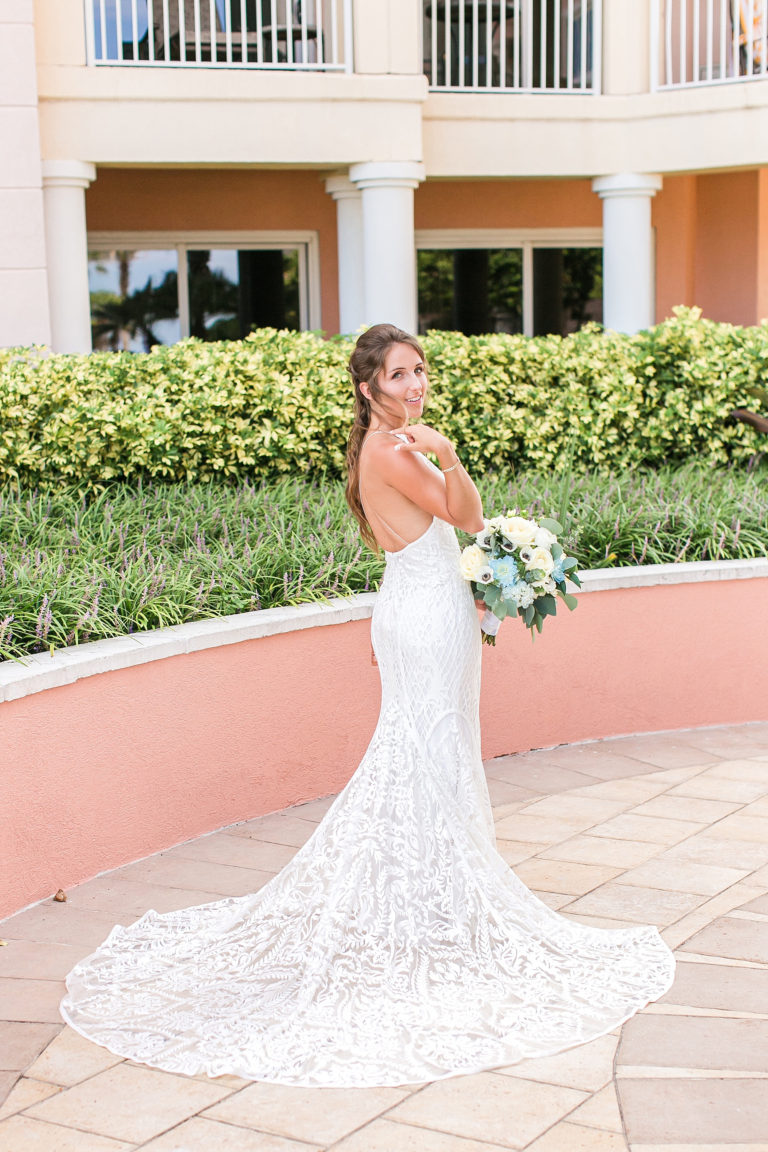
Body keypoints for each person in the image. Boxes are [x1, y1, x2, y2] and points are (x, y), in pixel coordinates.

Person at [61, 323, 675, 1088]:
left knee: (426, 752)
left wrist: (447, 473)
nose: (415, 385)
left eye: (420, 370)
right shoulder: (392, 450)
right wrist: (448, 455)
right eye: (398, 375)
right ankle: (421, 903)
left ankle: (431, 900)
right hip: (424, 620)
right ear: (368, 388)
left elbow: (448, 526)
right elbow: (469, 520)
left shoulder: (378, 447)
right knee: (422, 752)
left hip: (418, 610)